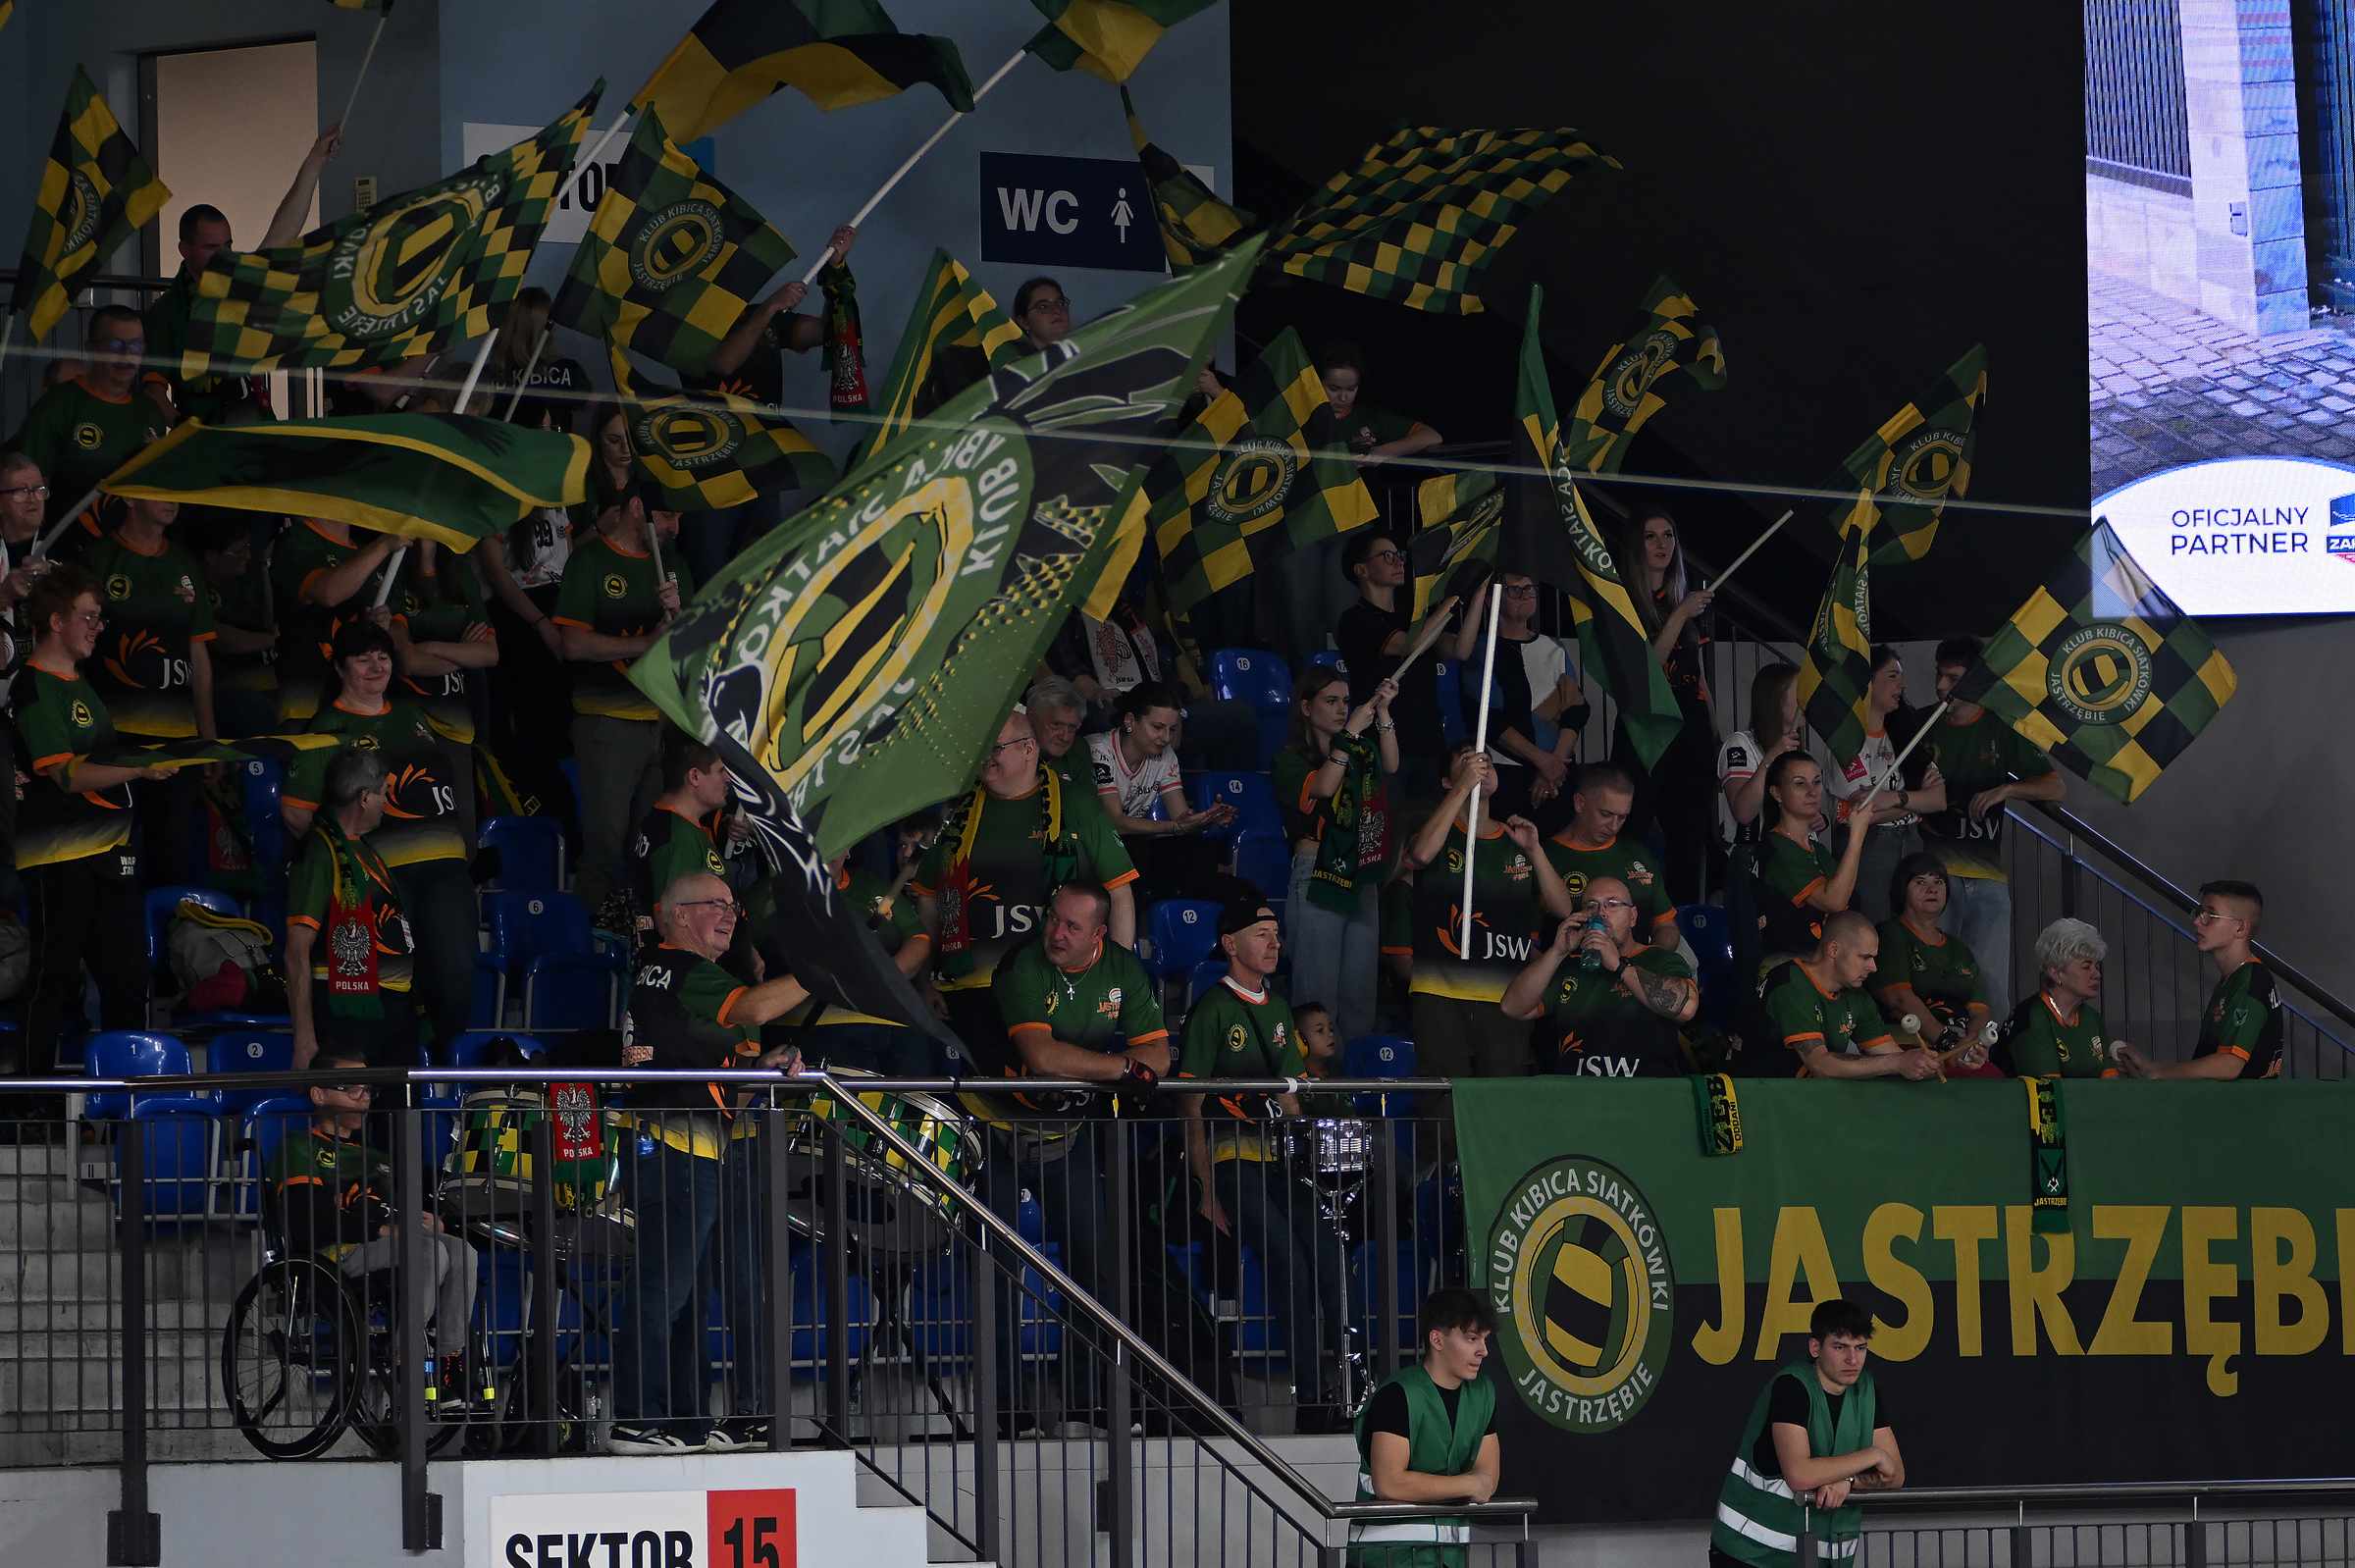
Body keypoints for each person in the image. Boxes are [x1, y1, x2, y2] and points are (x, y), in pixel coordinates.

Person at [609, 871, 807, 1454]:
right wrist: (821, 975)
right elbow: (753, 1005)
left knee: (687, 1296)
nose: (729, 914)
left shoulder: (669, 975)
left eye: (732, 906)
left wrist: (762, 1066)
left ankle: (683, 1421)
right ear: (677, 915)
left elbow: (706, 1070)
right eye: (714, 905)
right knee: (664, 1288)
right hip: (672, 1145)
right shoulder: (681, 966)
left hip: (687, 1143)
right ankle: (635, 1418)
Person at [984, 881, 1168, 1432]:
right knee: (997, 1265)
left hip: (1067, 1129)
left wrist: (1106, 1066)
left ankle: (1085, 1407)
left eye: (1071, 926)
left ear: (1099, 935)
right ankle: (1007, 1417)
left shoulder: (1122, 969)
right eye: (1052, 919)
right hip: (993, 1126)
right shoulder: (1023, 965)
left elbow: (1160, 1055)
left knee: (1096, 1262)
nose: (1056, 933)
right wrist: (1121, 1068)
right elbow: (1041, 1056)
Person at [1178, 899, 1349, 1431]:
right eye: (1261, 934)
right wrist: (1206, 1189)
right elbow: (1190, 1105)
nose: (1275, 943)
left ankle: (1349, 1389)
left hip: (1278, 1160)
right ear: (1230, 944)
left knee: (1328, 1256)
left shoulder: (1278, 1008)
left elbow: (1291, 1095)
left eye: (1277, 934)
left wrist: (1306, 1149)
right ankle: (1311, 1404)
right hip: (1231, 1159)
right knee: (1288, 1264)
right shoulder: (1211, 1009)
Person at [284, 622, 474, 1058]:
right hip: (384, 878)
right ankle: (409, 1065)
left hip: (446, 867)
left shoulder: (411, 714)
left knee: (456, 973)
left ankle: (444, 1067)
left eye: (383, 656)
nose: (376, 666)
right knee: (396, 983)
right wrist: (345, 858)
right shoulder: (326, 728)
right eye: (363, 658)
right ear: (339, 668)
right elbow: (295, 812)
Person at [912, 709, 1138, 1065]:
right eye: (980, 749)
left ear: (1029, 749)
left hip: (1055, 991)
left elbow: (1120, 894)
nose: (985, 758)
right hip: (969, 993)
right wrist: (925, 981)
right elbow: (927, 899)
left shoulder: (1076, 805)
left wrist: (1115, 980)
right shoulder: (955, 812)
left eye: (995, 748)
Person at [10, 567, 166, 1077]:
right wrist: (140, 768)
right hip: (60, 855)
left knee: (127, 978)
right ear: (56, 621)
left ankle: (128, 1095)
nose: (98, 628)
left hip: (111, 849)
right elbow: (67, 774)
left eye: (100, 618)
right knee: (54, 976)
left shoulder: (80, 682)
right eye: (89, 617)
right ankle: (33, 1099)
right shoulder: (35, 686)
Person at [266, 1048, 484, 1410]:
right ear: (318, 1094)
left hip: (386, 1246)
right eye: (350, 1087)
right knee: (427, 1251)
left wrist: (436, 1221)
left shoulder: (377, 1157)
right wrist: (382, 1230)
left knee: (462, 1250)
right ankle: (406, 1361)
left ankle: (449, 1363)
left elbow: (409, 1206)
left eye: (366, 1088)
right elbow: (307, 1222)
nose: (362, 1096)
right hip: (332, 1253)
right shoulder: (299, 1147)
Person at [682, 224, 858, 582]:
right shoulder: (687, 324)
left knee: (763, 576)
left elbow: (829, 332)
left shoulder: (763, 316)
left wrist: (835, 271)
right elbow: (723, 363)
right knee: (711, 579)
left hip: (764, 470)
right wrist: (770, 308)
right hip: (712, 476)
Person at [553, 479, 692, 918]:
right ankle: (586, 943)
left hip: (660, 724)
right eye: (667, 516)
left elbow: (691, 649)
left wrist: (679, 615)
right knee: (606, 847)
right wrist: (645, 643)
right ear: (637, 508)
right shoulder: (590, 561)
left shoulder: (672, 566)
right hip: (606, 723)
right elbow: (572, 644)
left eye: (679, 517)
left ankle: (637, 941)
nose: (675, 527)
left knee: (647, 849)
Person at [141, 128, 342, 426]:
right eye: (211, 248)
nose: (224, 255)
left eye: (228, 245)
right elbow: (153, 392)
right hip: (209, 435)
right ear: (184, 250)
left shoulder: (240, 284)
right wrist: (187, 429)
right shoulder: (167, 313)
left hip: (259, 423)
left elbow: (283, 233)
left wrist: (315, 161)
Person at [1401, 743, 1577, 1078]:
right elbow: (1420, 855)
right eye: (1468, 761)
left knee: (1500, 1097)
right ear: (1446, 781)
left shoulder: (1517, 839)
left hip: (1505, 994)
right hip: (1440, 992)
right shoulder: (1434, 830)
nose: (1481, 766)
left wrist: (1535, 850)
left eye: (1487, 761)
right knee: (1445, 1097)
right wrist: (1464, 787)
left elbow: (1562, 907)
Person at [1709, 1298, 1905, 1568]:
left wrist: (1849, 1482)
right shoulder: (1792, 1387)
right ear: (1815, 1347)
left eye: (1860, 1348)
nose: (1853, 1359)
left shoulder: (1866, 1390)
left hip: (1815, 1558)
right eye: (1840, 1347)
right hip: (1749, 1553)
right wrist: (1873, 1455)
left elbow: (1895, 1475)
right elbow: (1800, 1475)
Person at [1922, 637, 2064, 1008]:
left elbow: (2056, 787)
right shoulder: (1922, 726)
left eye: (1953, 679)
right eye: (1939, 675)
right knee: (1933, 981)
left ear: (1977, 681)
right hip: (1931, 874)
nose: (1941, 686)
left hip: (1988, 875)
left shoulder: (2000, 727)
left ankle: (1991, 1048)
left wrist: (2007, 789)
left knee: (1991, 985)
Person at [1274, 666, 1399, 1044]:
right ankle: (1312, 1077)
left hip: (1360, 872)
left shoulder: (1358, 748)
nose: (1342, 708)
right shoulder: (1289, 759)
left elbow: (1391, 764)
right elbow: (1324, 788)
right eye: (1331, 701)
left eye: (1345, 701)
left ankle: (1355, 1075)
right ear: (1306, 708)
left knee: (1360, 995)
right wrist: (1349, 735)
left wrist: (1384, 712)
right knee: (1318, 992)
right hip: (1318, 871)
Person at [283, 749, 423, 1069]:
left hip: (392, 1006)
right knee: (352, 1098)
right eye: (383, 793)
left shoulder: (364, 848)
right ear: (364, 798)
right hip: (345, 1010)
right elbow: (296, 950)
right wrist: (304, 1038)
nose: (387, 802)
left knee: (398, 1100)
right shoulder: (319, 852)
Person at [1349, 1288, 1499, 1568]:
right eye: (1472, 1339)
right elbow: (1389, 1483)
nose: (1483, 1350)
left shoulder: (1483, 1393)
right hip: (1386, 1559)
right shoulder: (1397, 1395)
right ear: (1437, 1339)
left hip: (1448, 1559)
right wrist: (1468, 1484)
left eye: (1484, 1339)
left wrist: (1474, 1483)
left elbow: (1488, 1479)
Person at [1617, 507, 1718, 902]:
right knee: (1635, 827)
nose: (1662, 544)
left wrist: (1714, 731)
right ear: (1636, 545)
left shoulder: (1682, 602)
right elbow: (1648, 670)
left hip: (1690, 726)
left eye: (1668, 535)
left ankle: (1683, 922)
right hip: (1647, 728)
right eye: (1651, 536)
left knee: (1689, 836)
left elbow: (1698, 676)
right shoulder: (1625, 602)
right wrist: (1680, 614)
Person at [1501, 877, 1698, 1076]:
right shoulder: (1572, 965)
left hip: (1643, 1091)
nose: (1601, 913)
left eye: (1612, 904)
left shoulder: (1659, 959)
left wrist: (1619, 966)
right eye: (1591, 906)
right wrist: (1557, 952)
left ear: (1632, 917)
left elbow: (1686, 1008)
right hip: (1581, 1091)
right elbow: (1513, 1007)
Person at [1334, 532, 1469, 803]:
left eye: (1399, 555)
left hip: (1428, 741)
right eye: (1387, 556)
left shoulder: (1414, 618)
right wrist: (1452, 598)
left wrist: (1475, 594)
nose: (1399, 562)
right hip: (1385, 745)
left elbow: (1460, 649)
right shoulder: (1354, 619)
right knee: (1391, 823)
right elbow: (1409, 645)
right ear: (1361, 570)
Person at [385, 540, 497, 848]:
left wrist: (431, 647)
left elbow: (490, 654)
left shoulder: (460, 570)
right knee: (417, 827)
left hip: (457, 720)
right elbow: (407, 661)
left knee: (464, 832)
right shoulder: (394, 568)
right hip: (410, 719)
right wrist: (462, 651)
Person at [6, 307, 165, 525]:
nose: (126, 355)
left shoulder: (149, 412)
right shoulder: (59, 404)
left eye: (136, 347)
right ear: (92, 349)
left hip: (131, 540)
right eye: (115, 346)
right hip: (65, 537)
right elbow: (28, 485)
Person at [1822, 647, 1946, 922]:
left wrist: (1895, 798)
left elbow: (1939, 799)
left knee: (1910, 927)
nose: (1901, 685)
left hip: (1911, 841)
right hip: (1870, 846)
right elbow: (1866, 811)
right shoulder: (1846, 741)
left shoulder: (1904, 732)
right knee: (1873, 925)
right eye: (1892, 676)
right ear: (1868, 682)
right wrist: (1916, 801)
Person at [2113, 880, 2281, 1080]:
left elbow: (2230, 1065)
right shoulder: (2233, 979)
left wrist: (2157, 1072)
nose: (2197, 921)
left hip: (2246, 1100)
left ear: (2240, 928)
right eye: (2200, 912)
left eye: (2210, 915)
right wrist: (2151, 1067)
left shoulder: (2252, 981)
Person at [1456, 570, 1586, 823]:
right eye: (1515, 590)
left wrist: (1554, 764)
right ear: (1492, 599)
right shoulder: (1481, 650)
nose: (1526, 595)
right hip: (1505, 774)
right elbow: (1488, 718)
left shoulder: (1554, 648)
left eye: (1529, 589)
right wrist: (1542, 761)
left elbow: (1576, 710)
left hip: (1558, 775)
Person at [1756, 912, 1939, 1080]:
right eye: (1865, 957)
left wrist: (1922, 1063)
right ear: (1834, 950)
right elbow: (1820, 1065)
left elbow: (1890, 1054)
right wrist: (1897, 1062)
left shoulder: (1857, 994)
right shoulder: (1790, 984)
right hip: (1763, 1093)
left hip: (1813, 1095)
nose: (1874, 968)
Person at [1090, 680, 1232, 897]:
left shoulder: (1166, 756)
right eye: (1157, 727)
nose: (1166, 738)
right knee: (1136, 853)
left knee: (1197, 851)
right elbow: (1115, 823)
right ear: (1130, 721)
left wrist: (1206, 819)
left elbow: (1180, 818)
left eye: (1172, 730)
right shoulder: (1100, 750)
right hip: (1091, 842)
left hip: (1131, 843)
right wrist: (1175, 827)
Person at [270, 514, 400, 727]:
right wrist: (384, 545)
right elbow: (328, 594)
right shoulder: (297, 540)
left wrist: (376, 629)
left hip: (359, 703)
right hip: (307, 697)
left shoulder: (367, 548)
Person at [1873, 854, 1997, 1073]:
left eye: (1938, 882)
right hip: (1910, 1048)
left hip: (1957, 1049)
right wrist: (1947, 1041)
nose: (1932, 889)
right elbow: (1898, 999)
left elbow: (1981, 1010)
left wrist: (1971, 1046)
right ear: (1902, 890)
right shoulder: (1890, 934)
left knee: (1994, 1080)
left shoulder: (1959, 948)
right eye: (1920, 882)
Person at [1753, 752, 1878, 969]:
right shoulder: (1777, 848)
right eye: (1800, 783)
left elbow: (1845, 903)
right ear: (1777, 793)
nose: (1812, 791)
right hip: (1789, 967)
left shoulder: (1816, 849)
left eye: (1817, 782)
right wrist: (1857, 836)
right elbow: (1834, 901)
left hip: (1822, 960)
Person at [1542, 764, 1679, 949]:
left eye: (1622, 817)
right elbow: (1528, 942)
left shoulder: (1638, 854)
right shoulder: (1545, 856)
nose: (1614, 826)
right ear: (1580, 803)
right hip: (1572, 965)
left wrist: (1648, 960)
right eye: (1606, 814)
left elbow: (1667, 926)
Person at [0, 453, 53, 911]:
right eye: (20, 490)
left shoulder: (60, 552)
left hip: (43, 713)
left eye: (39, 489)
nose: (33, 499)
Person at [1997, 917, 2125, 1078]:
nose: (2097, 974)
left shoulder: (2092, 1018)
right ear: (2056, 972)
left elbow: (2111, 1082)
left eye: (2097, 967)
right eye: (2086, 967)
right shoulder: (2032, 1017)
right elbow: (2049, 1088)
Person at [187, 511, 278, 738]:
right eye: (238, 551)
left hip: (264, 682)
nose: (247, 556)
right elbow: (218, 638)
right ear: (211, 556)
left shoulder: (245, 584)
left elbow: (268, 622)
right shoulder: (194, 589)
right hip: (223, 690)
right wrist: (273, 640)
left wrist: (264, 567)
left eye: (247, 547)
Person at [1311, 342, 1442, 465]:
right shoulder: (1306, 419)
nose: (1343, 398)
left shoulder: (1369, 417)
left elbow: (1432, 436)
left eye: (1351, 389)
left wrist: (1383, 452)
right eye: (1334, 389)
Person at [1717, 662, 1802, 851]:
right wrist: (1772, 757)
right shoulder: (1740, 744)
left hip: (1793, 854)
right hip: (1752, 856)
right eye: (1798, 692)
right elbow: (1744, 812)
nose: (1804, 700)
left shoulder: (1798, 752)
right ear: (1776, 700)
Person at [487, 287, 590, 434]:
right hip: (556, 446)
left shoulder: (487, 377)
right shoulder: (570, 372)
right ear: (546, 328)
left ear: (509, 324)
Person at [1023, 674, 1091, 783]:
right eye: (1056, 725)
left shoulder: (1078, 749)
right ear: (1031, 718)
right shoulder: (1009, 752)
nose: (1065, 737)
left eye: (1072, 727)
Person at [1012, 275, 1074, 353]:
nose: (1057, 310)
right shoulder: (1014, 360)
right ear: (1024, 322)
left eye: (1060, 303)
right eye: (1043, 306)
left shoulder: (1084, 352)